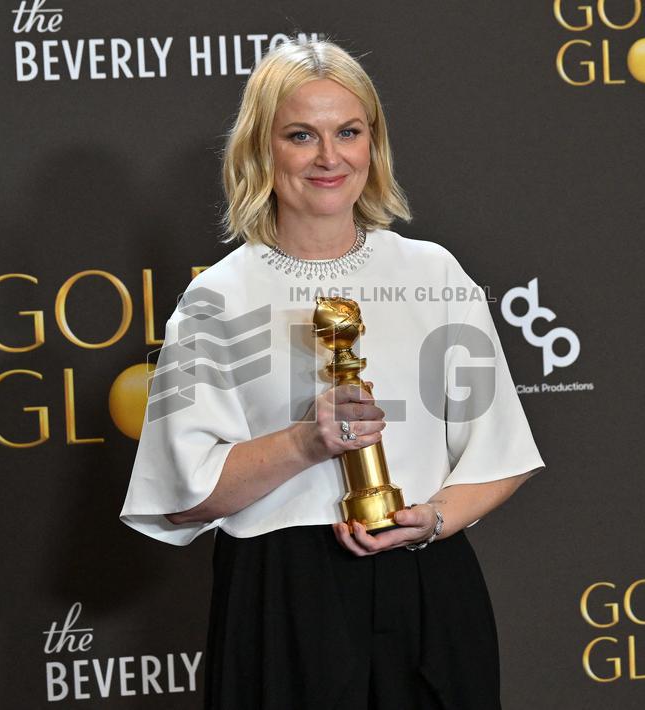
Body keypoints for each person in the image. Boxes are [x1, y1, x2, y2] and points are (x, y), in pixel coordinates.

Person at [120, 37, 545, 710]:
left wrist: (432, 519)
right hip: (283, 599)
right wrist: (304, 442)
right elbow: (183, 496)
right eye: (301, 135)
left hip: (428, 585)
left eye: (348, 132)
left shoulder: (432, 274)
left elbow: (503, 455)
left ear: (372, 146)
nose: (329, 157)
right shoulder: (217, 301)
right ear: (263, 149)